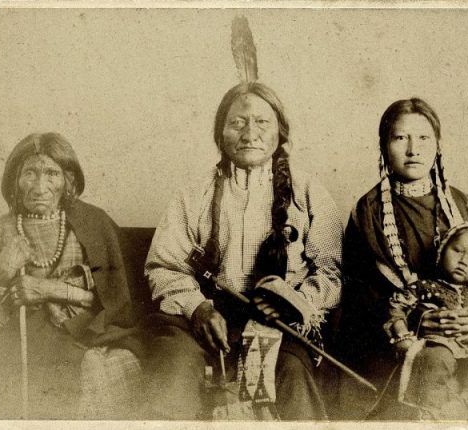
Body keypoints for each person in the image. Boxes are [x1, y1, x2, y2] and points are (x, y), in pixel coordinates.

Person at [143, 82, 343, 420]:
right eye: (237, 122)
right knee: (174, 369)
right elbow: (165, 267)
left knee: (290, 374)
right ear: (220, 133)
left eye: (262, 122)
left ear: (280, 131)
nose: (250, 133)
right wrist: (198, 309)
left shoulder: (309, 193)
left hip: (282, 325)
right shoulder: (193, 195)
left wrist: (292, 307)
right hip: (205, 322)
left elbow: (329, 273)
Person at [332, 98, 468, 419]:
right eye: (400, 138)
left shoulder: (463, 205)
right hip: (394, 340)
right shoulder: (368, 212)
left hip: (466, 331)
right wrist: (416, 320)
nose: (413, 149)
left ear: (438, 146)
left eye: (424, 138)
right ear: (384, 146)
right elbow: (356, 298)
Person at [0, 132, 141, 419]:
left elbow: (115, 302)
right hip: (16, 346)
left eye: (51, 173)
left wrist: (48, 289)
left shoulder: (93, 224)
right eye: (30, 173)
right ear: (15, 181)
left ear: (69, 181)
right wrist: (0, 277)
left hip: (81, 338)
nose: (40, 187)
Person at [387, 222, 468, 418]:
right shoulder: (425, 287)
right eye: (457, 251)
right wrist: (402, 334)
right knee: (437, 360)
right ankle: (429, 413)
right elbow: (396, 308)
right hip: (439, 343)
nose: (464, 261)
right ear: (442, 250)